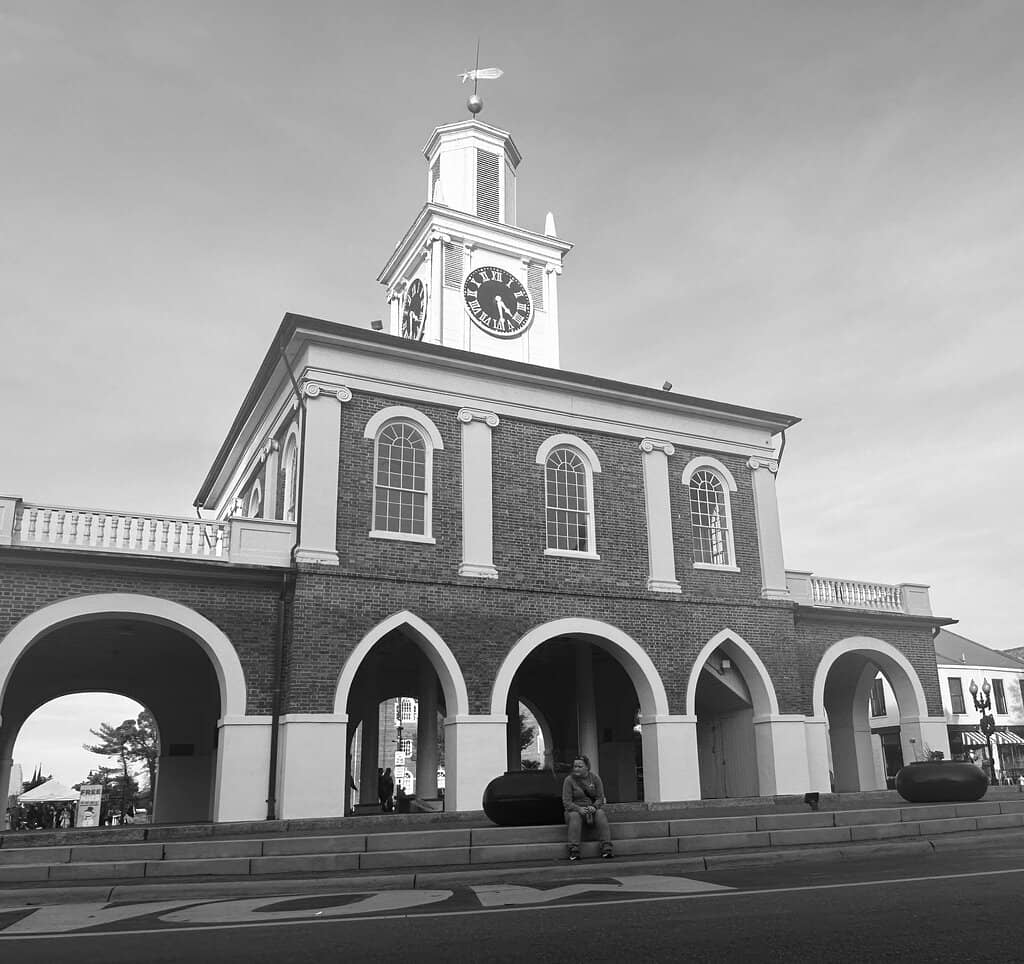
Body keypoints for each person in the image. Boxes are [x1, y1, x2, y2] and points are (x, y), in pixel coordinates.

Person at [562, 755, 613, 861]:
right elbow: (567, 802)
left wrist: (594, 807)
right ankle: (574, 849)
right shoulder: (569, 780)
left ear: (587, 767)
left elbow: (600, 798)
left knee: (600, 813)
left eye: (580, 766)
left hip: (591, 809)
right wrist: (578, 809)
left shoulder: (595, 778)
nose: (576, 769)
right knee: (575, 816)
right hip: (574, 811)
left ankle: (606, 847)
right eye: (575, 766)